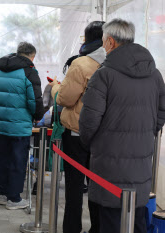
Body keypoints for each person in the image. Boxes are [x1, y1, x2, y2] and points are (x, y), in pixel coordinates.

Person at [79, 18, 165, 233]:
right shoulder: (154, 73)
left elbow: (89, 120)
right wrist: (147, 134)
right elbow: (162, 111)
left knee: (110, 218)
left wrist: (92, 143)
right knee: (136, 215)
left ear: (109, 42)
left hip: (108, 159)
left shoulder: (104, 74)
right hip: (142, 156)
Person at [49, 21, 105, 233]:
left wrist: (55, 87)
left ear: (87, 38)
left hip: (76, 133)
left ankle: (72, 229)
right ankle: (98, 228)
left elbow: (65, 99)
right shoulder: (114, 64)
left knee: (74, 186)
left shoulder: (81, 64)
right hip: (103, 136)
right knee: (98, 186)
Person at [0, 42, 44, 210]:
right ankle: (14, 198)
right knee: (18, 161)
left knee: (4, 159)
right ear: (32, 56)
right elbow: (35, 101)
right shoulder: (29, 72)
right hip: (19, 125)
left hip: (1, 124)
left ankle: (3, 194)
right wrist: (37, 117)